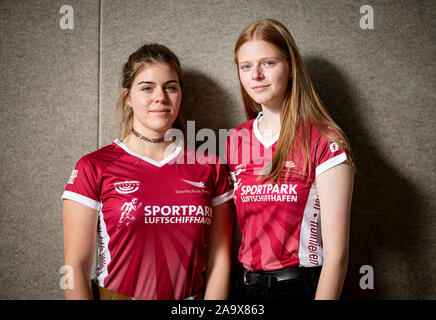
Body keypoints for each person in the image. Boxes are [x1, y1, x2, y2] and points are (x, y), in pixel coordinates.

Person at [62, 43, 234, 300]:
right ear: (128, 97)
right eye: (146, 88)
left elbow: (220, 260)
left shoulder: (210, 167)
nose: (160, 98)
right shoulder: (94, 167)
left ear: (180, 95)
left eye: (170, 87)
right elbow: (75, 267)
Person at [227, 19, 355, 300]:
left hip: (297, 286)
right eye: (246, 66)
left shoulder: (324, 140)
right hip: (244, 286)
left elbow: (337, 256)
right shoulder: (235, 140)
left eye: (268, 63)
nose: (256, 75)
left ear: (292, 67)